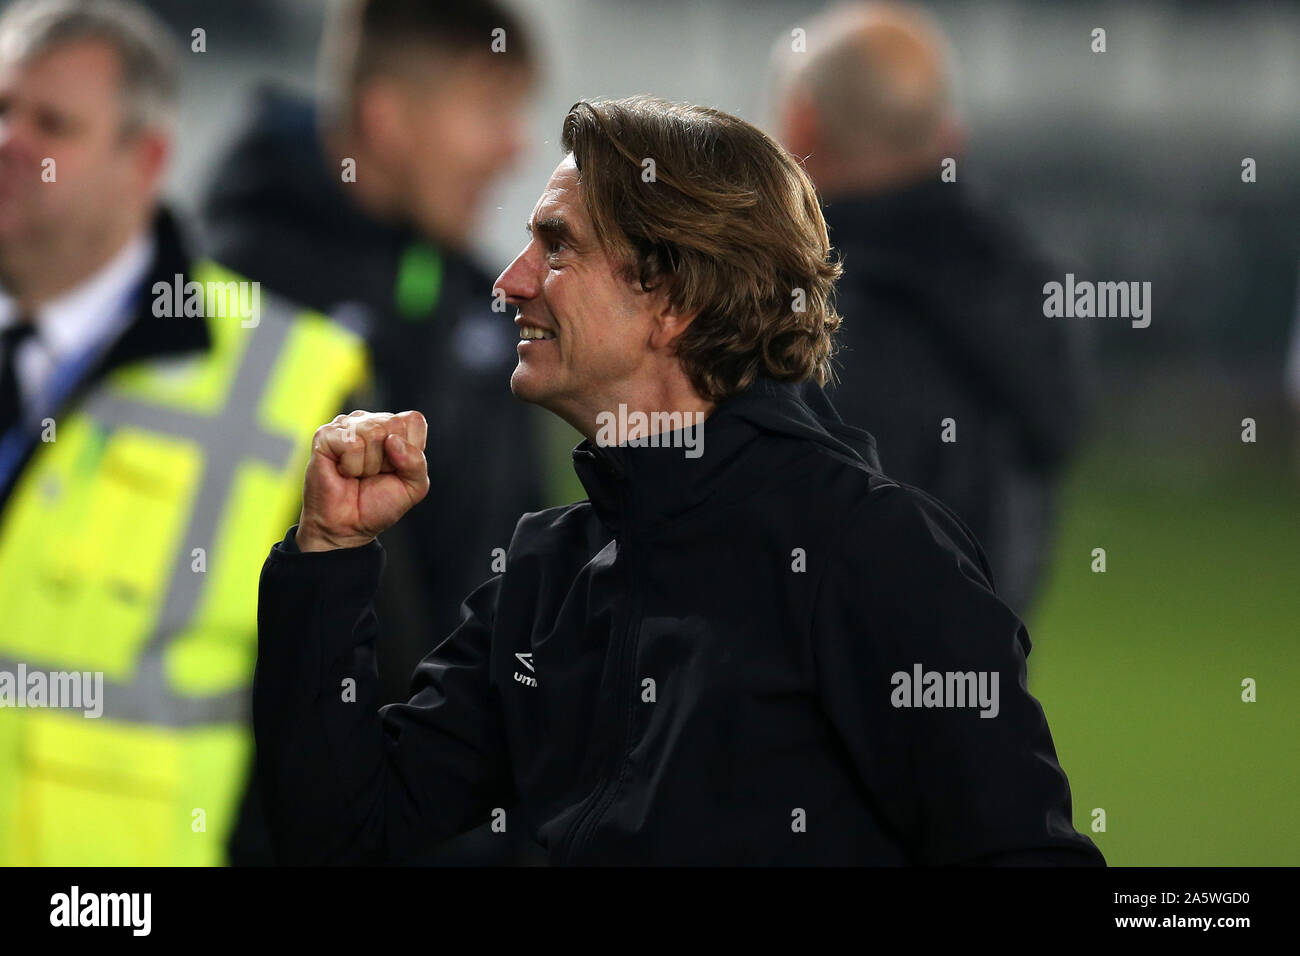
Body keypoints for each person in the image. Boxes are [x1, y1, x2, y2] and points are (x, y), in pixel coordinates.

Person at [254, 95, 1105, 866]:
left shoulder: (869, 550)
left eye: (556, 246)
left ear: (675, 299)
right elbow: (340, 830)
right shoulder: (548, 572)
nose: (510, 283)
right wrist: (330, 554)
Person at [0, 0, 366, 865]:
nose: (10, 140)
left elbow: (348, 720)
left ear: (147, 160)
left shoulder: (297, 378)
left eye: (50, 122)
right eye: (0, 108)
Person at [202, 0, 549, 864]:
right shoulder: (228, 303)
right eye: (488, 110)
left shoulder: (480, 302)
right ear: (388, 119)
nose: (513, 148)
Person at [771, 1, 1083, 614]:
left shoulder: (802, 309)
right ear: (949, 138)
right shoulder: (1022, 286)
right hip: (980, 688)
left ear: (801, 126)